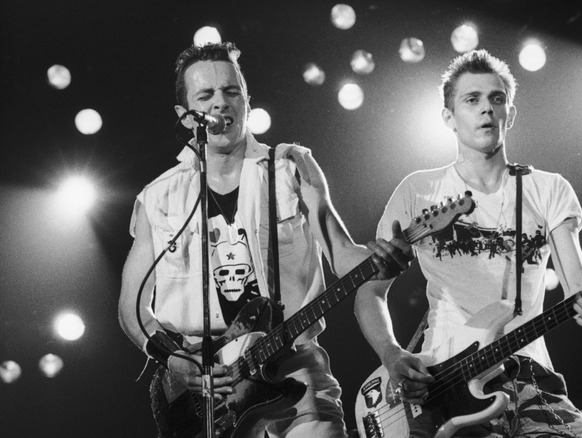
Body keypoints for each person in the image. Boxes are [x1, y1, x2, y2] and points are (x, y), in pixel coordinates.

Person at [118, 42, 412, 438]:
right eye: (206, 96)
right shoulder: (157, 196)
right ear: (186, 117)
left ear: (246, 100)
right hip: (208, 384)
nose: (221, 104)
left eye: (231, 91)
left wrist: (381, 260)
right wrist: (171, 358)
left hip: (293, 363)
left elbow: (342, 254)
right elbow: (131, 306)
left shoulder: (292, 167)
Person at [355, 49, 582, 437]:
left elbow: (578, 287)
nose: (486, 110)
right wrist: (392, 354)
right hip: (443, 383)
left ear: (510, 114)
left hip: (528, 374)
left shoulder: (548, 189)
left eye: (496, 99)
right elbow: (370, 292)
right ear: (449, 118)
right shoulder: (419, 191)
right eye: (472, 100)